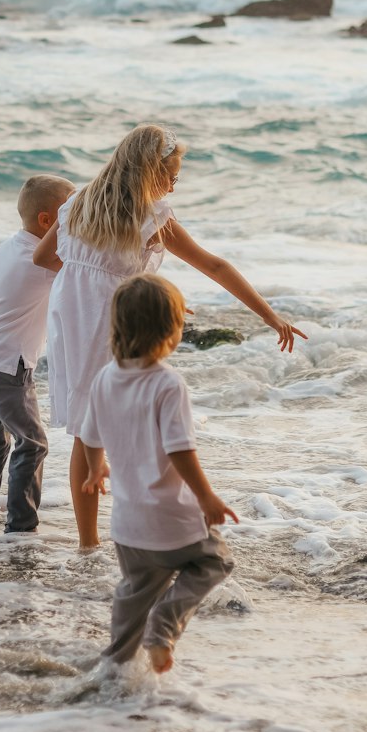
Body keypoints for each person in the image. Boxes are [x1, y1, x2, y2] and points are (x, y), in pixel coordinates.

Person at [33, 123, 306, 548]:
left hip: (70, 316)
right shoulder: (151, 216)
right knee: (120, 424)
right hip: (113, 319)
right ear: (148, 170)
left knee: (87, 429)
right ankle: (149, 530)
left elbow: (44, 257)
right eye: (171, 178)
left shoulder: (76, 204)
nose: (172, 189)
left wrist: (93, 281)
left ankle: (90, 543)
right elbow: (213, 266)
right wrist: (271, 316)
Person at [80, 273, 237, 674]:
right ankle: (163, 627)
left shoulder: (104, 378)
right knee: (214, 562)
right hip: (173, 519)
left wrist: (96, 470)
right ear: (170, 330)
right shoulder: (168, 383)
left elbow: (89, 434)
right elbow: (179, 448)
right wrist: (206, 497)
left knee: (133, 593)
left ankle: (112, 669)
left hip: (128, 525)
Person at [0, 173, 75, 533]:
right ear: (47, 221)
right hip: (5, 366)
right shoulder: (45, 262)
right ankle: (21, 528)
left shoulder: (8, 246)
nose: (77, 220)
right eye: (70, 214)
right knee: (34, 442)